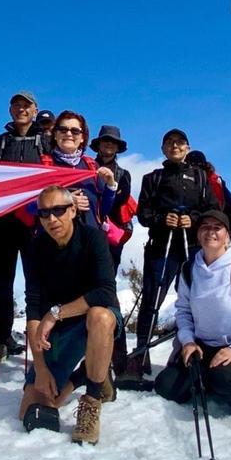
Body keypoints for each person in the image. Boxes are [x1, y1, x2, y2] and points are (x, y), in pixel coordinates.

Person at [18, 186, 120, 445]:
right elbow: (32, 308)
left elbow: (106, 292)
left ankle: (93, 399)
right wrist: (40, 370)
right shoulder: (35, 249)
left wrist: (55, 314)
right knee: (37, 405)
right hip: (61, 328)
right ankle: (85, 374)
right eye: (44, 214)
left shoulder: (93, 238)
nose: (51, 219)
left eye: (58, 211)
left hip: (91, 319)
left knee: (100, 316)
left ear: (73, 210)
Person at [153, 210, 231, 416]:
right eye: (205, 227)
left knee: (223, 379)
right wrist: (188, 341)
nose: (211, 232)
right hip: (203, 347)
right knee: (166, 385)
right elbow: (183, 312)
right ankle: (207, 376)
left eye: (217, 227)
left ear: (227, 235)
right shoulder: (189, 269)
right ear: (198, 234)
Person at [128, 128, 214, 378]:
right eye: (170, 143)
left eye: (180, 142)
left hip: (192, 246)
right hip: (161, 245)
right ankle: (140, 354)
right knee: (152, 299)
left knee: (196, 300)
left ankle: (193, 352)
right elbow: (143, 214)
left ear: (187, 147)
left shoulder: (200, 177)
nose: (175, 146)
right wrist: (163, 218)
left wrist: (194, 219)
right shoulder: (152, 178)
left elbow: (212, 209)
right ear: (163, 149)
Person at [0, 90, 48, 366]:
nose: (21, 109)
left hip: (35, 225)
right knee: (0, 286)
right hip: (3, 224)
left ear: (34, 110)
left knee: (38, 284)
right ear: (10, 110)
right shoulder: (0, 143)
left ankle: (40, 341)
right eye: (16, 105)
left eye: (26, 106)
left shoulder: (46, 141)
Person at [90, 124, 134, 375]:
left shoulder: (124, 174)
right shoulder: (85, 165)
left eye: (112, 144)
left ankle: (118, 356)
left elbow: (120, 199)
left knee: (107, 290)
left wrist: (110, 184)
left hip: (109, 239)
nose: (108, 147)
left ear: (117, 148)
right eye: (105, 143)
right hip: (87, 235)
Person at [40, 111, 117, 229]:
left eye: (75, 131)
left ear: (82, 138)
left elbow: (103, 210)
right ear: (55, 135)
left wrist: (110, 186)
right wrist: (65, 202)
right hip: (52, 242)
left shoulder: (91, 165)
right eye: (63, 130)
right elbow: (29, 206)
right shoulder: (42, 165)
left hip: (89, 241)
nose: (69, 134)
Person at [185, 150, 231, 239]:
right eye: (191, 166)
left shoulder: (213, 181)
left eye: (198, 166)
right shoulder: (210, 179)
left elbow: (217, 209)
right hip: (221, 225)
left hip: (227, 226)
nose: (194, 169)